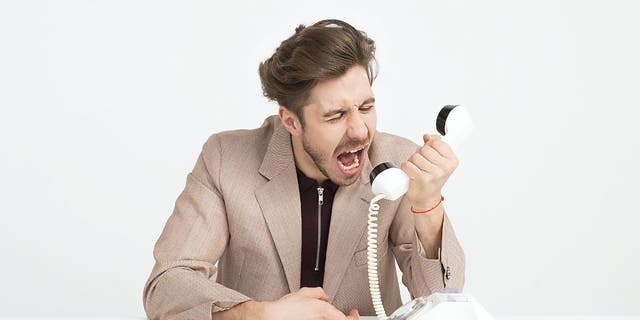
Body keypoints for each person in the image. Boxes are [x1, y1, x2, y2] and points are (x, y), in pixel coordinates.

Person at [143, 19, 465, 320]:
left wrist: (427, 207)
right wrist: (260, 314)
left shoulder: (396, 163)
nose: (359, 131)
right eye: (336, 115)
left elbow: (445, 301)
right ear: (291, 121)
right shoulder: (225, 158)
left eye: (366, 107)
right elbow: (166, 286)